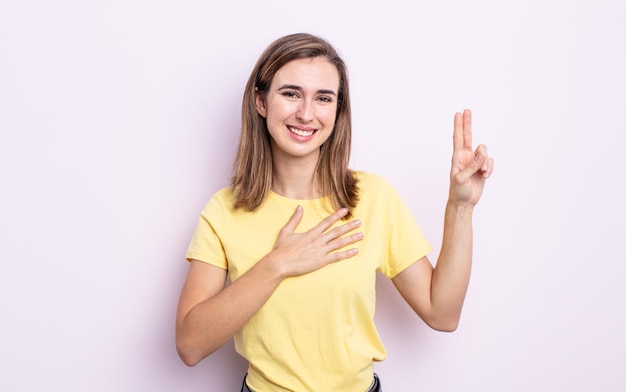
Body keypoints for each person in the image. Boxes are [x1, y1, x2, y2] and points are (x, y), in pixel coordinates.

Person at [175, 32, 494, 392]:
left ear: (338, 110)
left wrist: (461, 206)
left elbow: (442, 313)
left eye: (323, 98)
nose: (306, 113)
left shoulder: (373, 198)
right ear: (261, 101)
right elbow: (190, 345)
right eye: (291, 93)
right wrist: (277, 264)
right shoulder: (223, 211)